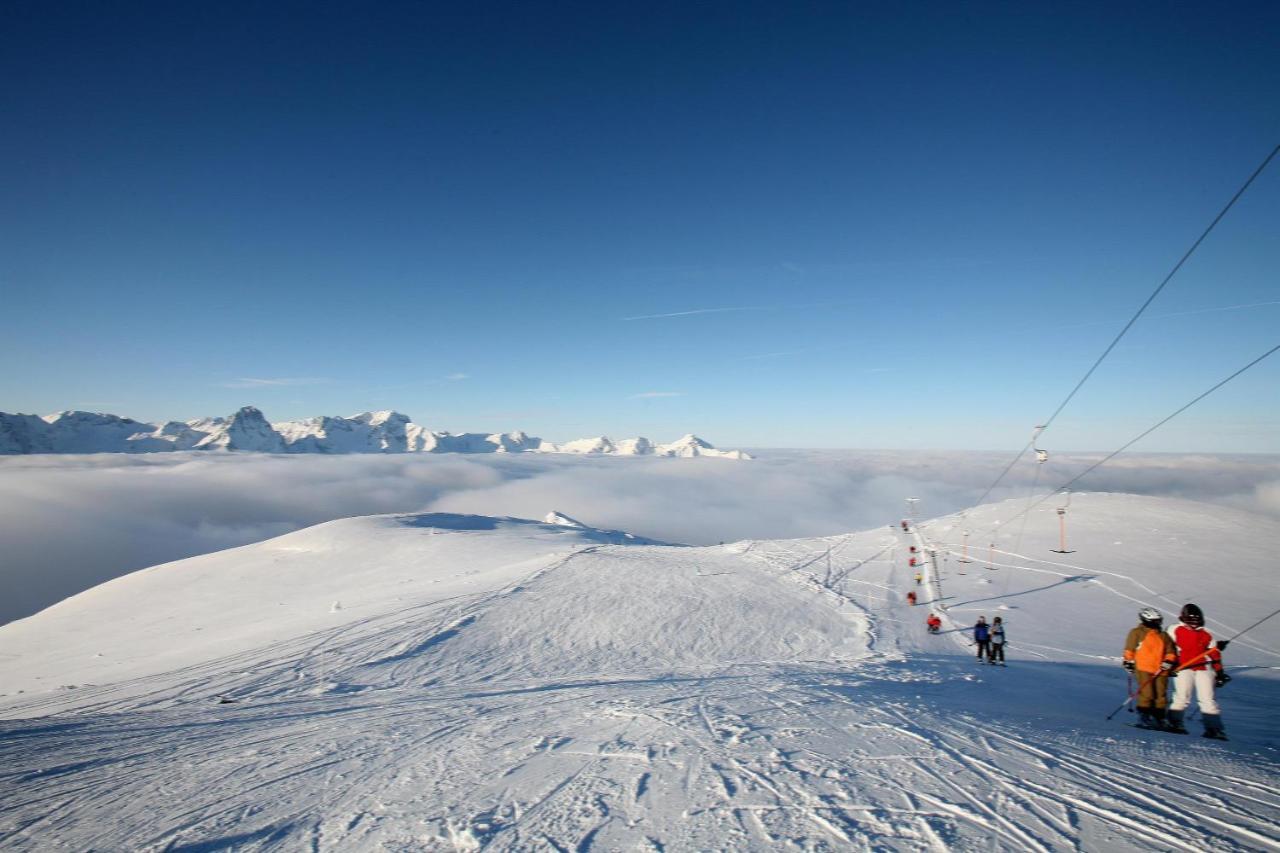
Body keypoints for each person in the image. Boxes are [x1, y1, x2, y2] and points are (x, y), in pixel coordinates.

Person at [1166, 603, 1229, 739]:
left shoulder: (1206, 633)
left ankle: (1214, 728)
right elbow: (1167, 648)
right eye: (1190, 620)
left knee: (1207, 699)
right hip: (1182, 667)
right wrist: (1169, 665)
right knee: (1182, 696)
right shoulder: (1174, 630)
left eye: (1196, 620)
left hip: (1203, 667)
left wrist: (1219, 672)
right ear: (1183, 618)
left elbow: (1214, 654)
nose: (1194, 624)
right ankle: (1175, 722)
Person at [1123, 607, 1178, 729]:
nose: (1158, 623)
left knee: (1160, 695)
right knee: (1147, 693)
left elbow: (1170, 651)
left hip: (1161, 669)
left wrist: (1169, 661)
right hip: (1143, 667)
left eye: (1159, 620)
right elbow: (1130, 648)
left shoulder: (1163, 635)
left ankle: (1159, 718)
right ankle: (1144, 716)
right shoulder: (1137, 633)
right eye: (1155, 621)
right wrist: (1128, 661)